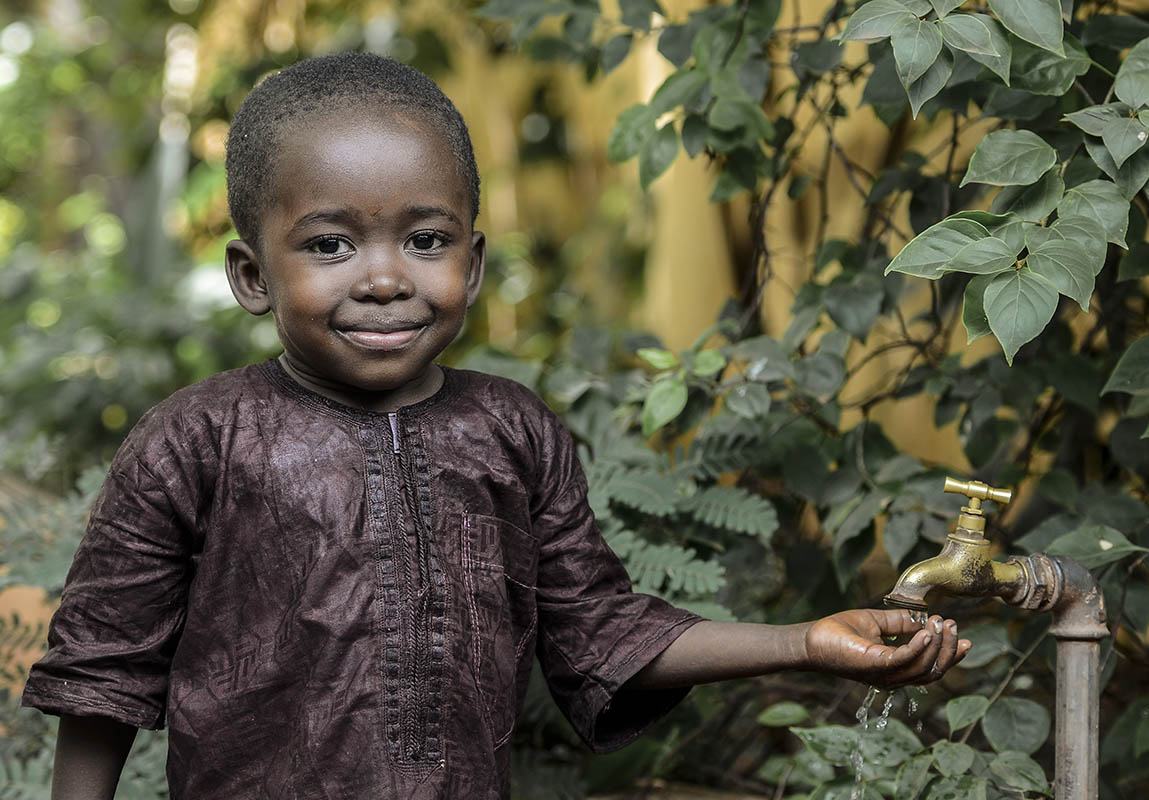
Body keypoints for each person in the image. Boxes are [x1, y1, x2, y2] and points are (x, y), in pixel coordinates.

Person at [22, 52, 969, 800]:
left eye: (425, 240)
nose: (387, 277)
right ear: (252, 276)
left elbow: (601, 633)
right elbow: (101, 670)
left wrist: (807, 641)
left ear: (472, 266)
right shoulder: (195, 440)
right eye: (329, 244)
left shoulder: (513, 433)